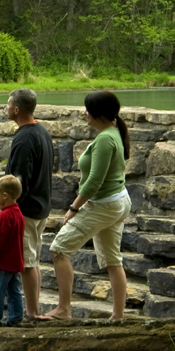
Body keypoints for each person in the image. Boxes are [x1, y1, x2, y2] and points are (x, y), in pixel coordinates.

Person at [50, 90, 132, 319]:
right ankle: (117, 316)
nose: (84, 113)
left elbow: (95, 180)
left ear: (99, 114)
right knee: (113, 260)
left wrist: (73, 208)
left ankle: (64, 309)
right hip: (117, 201)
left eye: (88, 110)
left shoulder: (106, 138)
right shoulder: (113, 131)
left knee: (58, 249)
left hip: (105, 205)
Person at [3, 87, 54, 319]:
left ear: (16, 109)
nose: (5, 107)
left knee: (27, 262)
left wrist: (11, 206)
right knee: (32, 260)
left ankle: (32, 313)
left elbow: (20, 179)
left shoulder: (23, 139)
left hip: (27, 210)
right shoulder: (41, 131)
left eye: (7, 103)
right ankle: (33, 309)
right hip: (41, 206)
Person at [0, 175, 25, 328]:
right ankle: (16, 317)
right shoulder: (18, 213)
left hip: (2, 263)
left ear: (5, 195)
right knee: (14, 290)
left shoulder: (4, 215)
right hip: (15, 261)